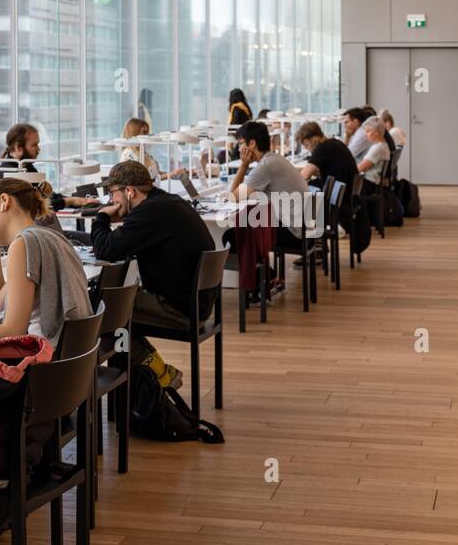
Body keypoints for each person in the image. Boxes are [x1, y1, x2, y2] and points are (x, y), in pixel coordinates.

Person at [89, 160, 215, 389]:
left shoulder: (151, 212)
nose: (111, 201)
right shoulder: (166, 203)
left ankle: (148, 376)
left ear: (129, 191)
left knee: (105, 309)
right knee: (116, 309)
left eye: (113, 194)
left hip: (181, 310)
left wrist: (102, 218)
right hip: (196, 303)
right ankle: (148, 373)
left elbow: (106, 249)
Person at [0, 178, 92, 344]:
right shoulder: (50, 238)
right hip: (72, 361)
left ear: (4, 201)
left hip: (45, 361)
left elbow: (12, 330)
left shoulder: (23, 244)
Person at [230, 120, 310, 249]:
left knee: (232, 235)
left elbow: (233, 197)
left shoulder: (265, 166)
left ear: (252, 143)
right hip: (304, 226)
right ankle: (262, 268)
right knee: (249, 222)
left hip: (294, 232)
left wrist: (244, 165)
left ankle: (259, 269)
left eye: (240, 144)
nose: (239, 149)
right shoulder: (274, 159)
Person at [296, 121, 357, 191]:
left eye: (306, 145)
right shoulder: (335, 143)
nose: (306, 148)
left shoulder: (323, 148)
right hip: (345, 190)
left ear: (314, 140)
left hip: (337, 195)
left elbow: (304, 176)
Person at [120, 117, 163, 182]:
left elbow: (155, 174)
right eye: (144, 132)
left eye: (147, 132)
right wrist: (173, 173)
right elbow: (144, 179)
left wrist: (173, 174)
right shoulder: (129, 154)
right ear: (134, 133)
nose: (147, 135)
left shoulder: (143, 152)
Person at [357, 116, 392, 187]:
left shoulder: (378, 148)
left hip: (369, 184)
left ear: (376, 132)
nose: (366, 135)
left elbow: (359, 169)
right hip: (371, 182)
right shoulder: (382, 145)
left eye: (368, 131)